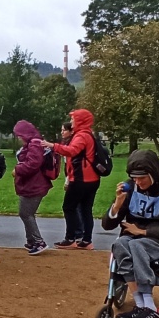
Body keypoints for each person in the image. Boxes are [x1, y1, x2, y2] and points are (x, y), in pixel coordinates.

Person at [102, 150, 159, 318]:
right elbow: (107, 225)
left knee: (137, 245)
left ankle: (151, 309)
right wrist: (117, 205)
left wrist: (143, 231)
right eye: (134, 178)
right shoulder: (130, 188)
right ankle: (141, 305)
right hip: (134, 239)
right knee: (120, 244)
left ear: (153, 174)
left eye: (142, 178)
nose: (138, 182)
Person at [42, 109, 100, 250]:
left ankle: (70, 238)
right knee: (86, 209)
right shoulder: (88, 134)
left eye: (73, 118)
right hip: (93, 179)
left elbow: (72, 151)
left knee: (68, 207)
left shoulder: (81, 135)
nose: (71, 121)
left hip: (80, 179)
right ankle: (86, 240)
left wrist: (53, 146)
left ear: (80, 120)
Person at [12, 119, 52, 255]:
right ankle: (31, 241)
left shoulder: (34, 144)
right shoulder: (34, 143)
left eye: (19, 135)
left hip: (34, 185)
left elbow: (33, 164)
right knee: (25, 213)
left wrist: (17, 169)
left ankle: (39, 242)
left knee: (26, 213)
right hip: (33, 184)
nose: (19, 138)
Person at [58, 120, 84, 244]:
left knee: (73, 207)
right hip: (74, 179)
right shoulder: (68, 143)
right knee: (76, 207)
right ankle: (79, 234)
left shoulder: (73, 145)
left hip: (76, 180)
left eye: (64, 130)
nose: (62, 132)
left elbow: (72, 166)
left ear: (71, 131)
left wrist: (68, 181)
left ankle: (77, 234)